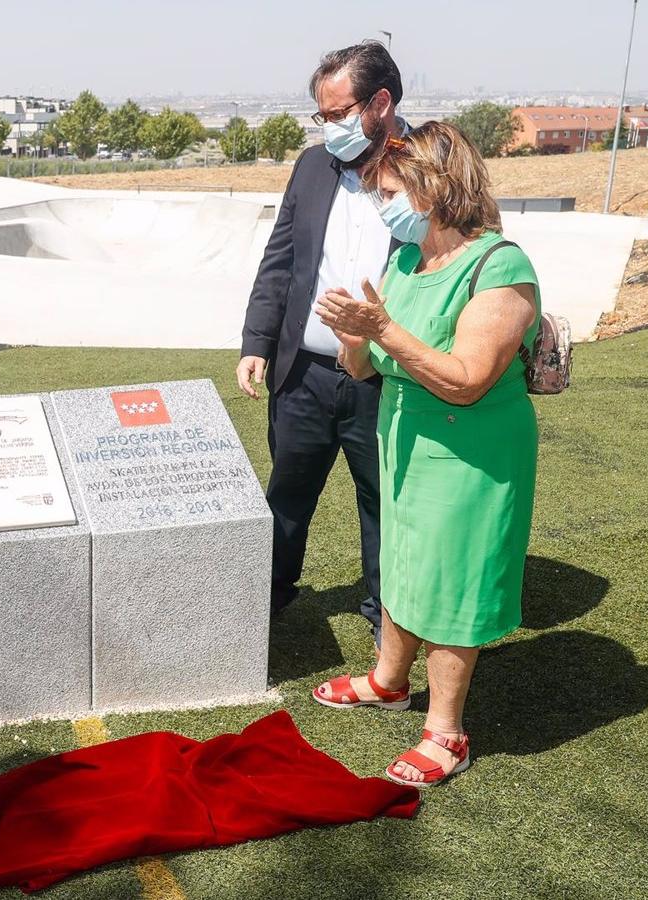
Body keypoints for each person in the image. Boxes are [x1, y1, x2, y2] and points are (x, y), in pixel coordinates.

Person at [309, 121, 542, 789]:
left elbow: (467, 379)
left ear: (435, 186)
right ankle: (388, 680)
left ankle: (446, 732)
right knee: (404, 561)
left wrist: (381, 327)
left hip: (471, 454)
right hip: (407, 440)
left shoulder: (500, 266)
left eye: (389, 190)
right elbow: (363, 369)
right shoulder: (407, 261)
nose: (384, 204)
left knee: (453, 579)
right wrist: (353, 336)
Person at [236, 41, 411, 647]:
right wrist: (258, 340)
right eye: (323, 116)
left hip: (384, 380)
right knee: (286, 492)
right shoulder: (312, 168)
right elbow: (281, 259)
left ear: (381, 102)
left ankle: (387, 614)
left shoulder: (426, 168)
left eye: (338, 113)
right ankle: (269, 595)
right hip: (303, 374)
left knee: (384, 504)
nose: (329, 127)